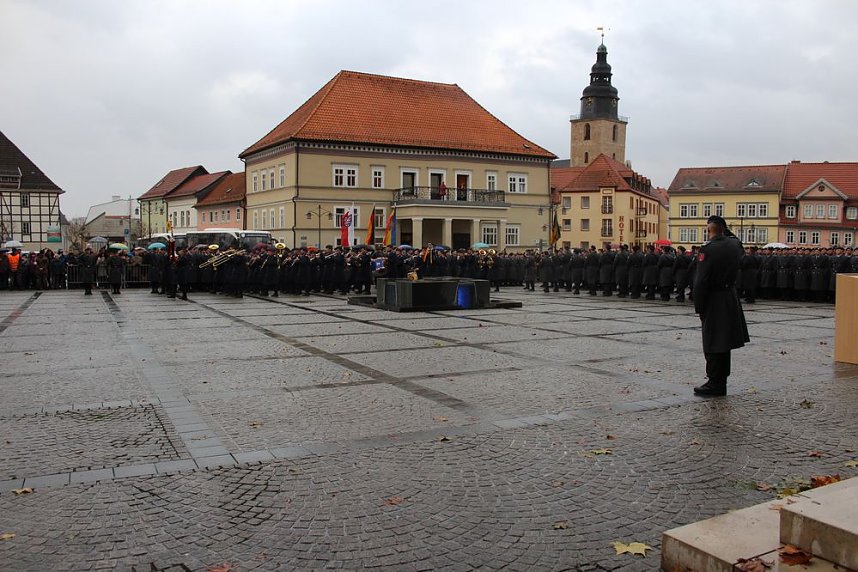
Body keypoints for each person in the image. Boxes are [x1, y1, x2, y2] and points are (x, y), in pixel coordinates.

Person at [693, 215, 750, 397]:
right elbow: (733, 238)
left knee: (712, 341)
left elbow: (701, 281)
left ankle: (714, 383)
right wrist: (723, 230)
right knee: (724, 342)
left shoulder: (708, 250)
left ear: (710, 230)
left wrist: (699, 306)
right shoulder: (734, 245)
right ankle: (721, 381)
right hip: (729, 297)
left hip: (714, 299)